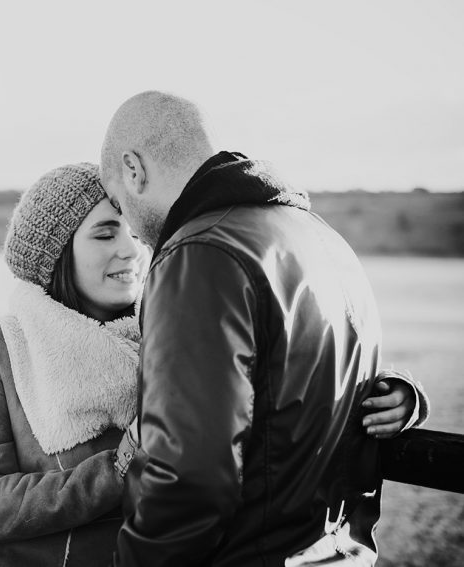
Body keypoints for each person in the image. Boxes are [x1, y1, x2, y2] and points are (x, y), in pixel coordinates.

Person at [0, 162, 426, 567]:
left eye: (134, 231)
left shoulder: (176, 323)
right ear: (55, 257)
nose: (130, 250)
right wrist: (118, 470)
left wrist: (393, 395)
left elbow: (295, 371)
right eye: (104, 233)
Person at [99, 91, 428, 566]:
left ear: (134, 169)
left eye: (118, 203)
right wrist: (406, 397)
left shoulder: (199, 255)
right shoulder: (325, 241)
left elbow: (190, 476)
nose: (130, 228)